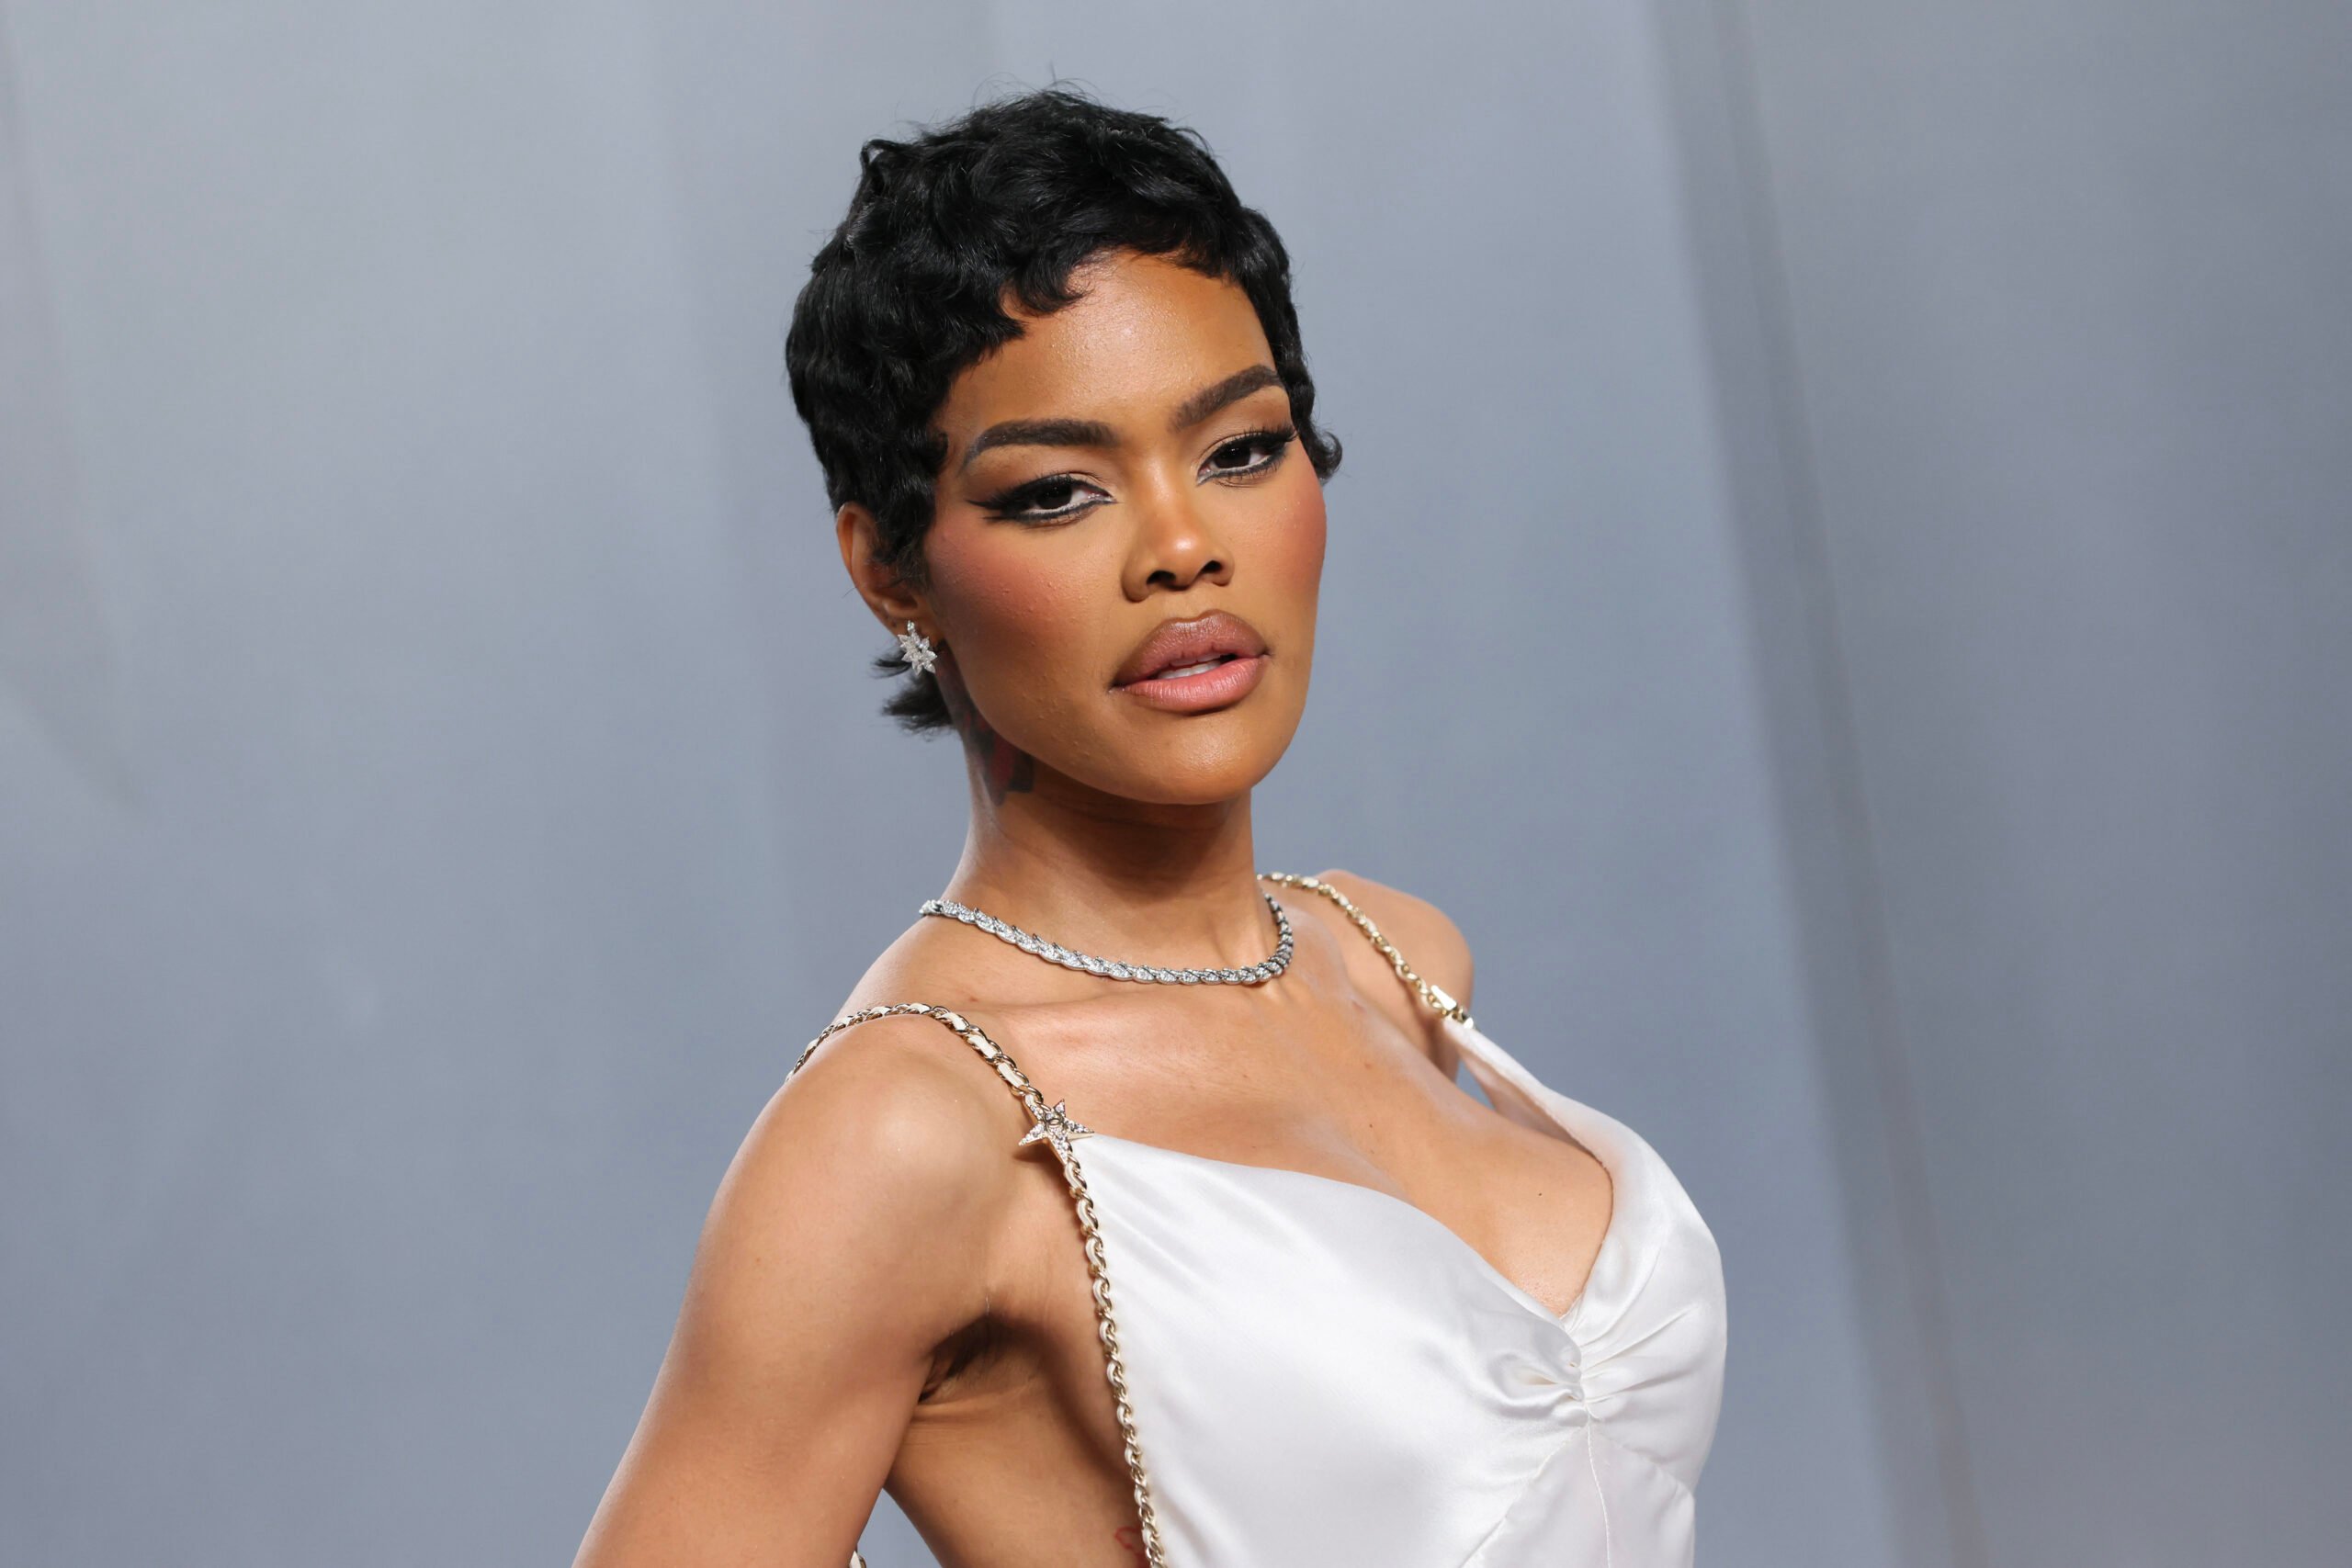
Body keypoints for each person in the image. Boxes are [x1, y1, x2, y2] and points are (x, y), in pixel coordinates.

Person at [574, 86, 1725, 1568]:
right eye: (1059, 492)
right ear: (892, 574)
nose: (1184, 548)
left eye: (1240, 450)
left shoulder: (1391, 957)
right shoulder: (908, 1133)